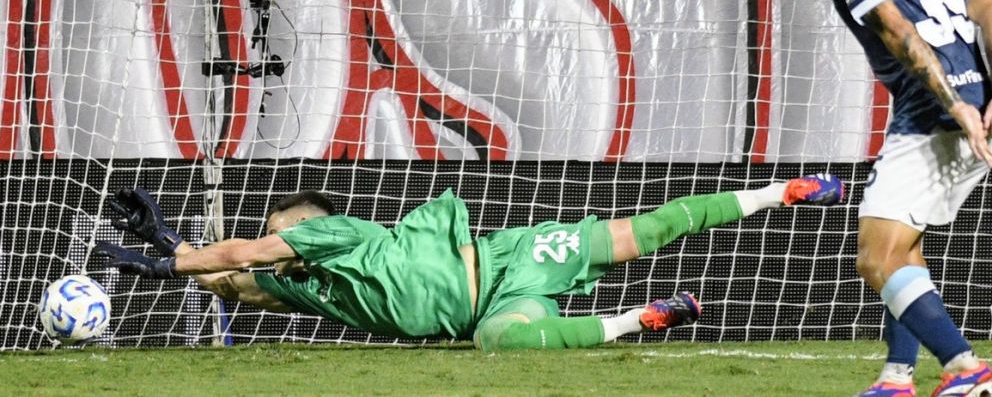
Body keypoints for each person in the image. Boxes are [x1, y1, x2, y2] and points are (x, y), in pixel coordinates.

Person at [94, 175, 842, 351]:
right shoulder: (313, 291)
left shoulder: (335, 234)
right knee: (498, 343)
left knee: (647, 229)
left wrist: (170, 264)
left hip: (514, 256)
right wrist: (166, 245)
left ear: (308, 227)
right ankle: (637, 320)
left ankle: (781, 191)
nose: (272, 240)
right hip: (499, 306)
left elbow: (241, 253)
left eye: (279, 231)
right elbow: (233, 278)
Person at [816, 0, 992, 397]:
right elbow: (988, 12)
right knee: (904, 246)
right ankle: (897, 377)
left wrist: (954, 104)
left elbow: (898, 31)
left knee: (877, 257)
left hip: (935, 118)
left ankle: (966, 369)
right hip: (977, 110)